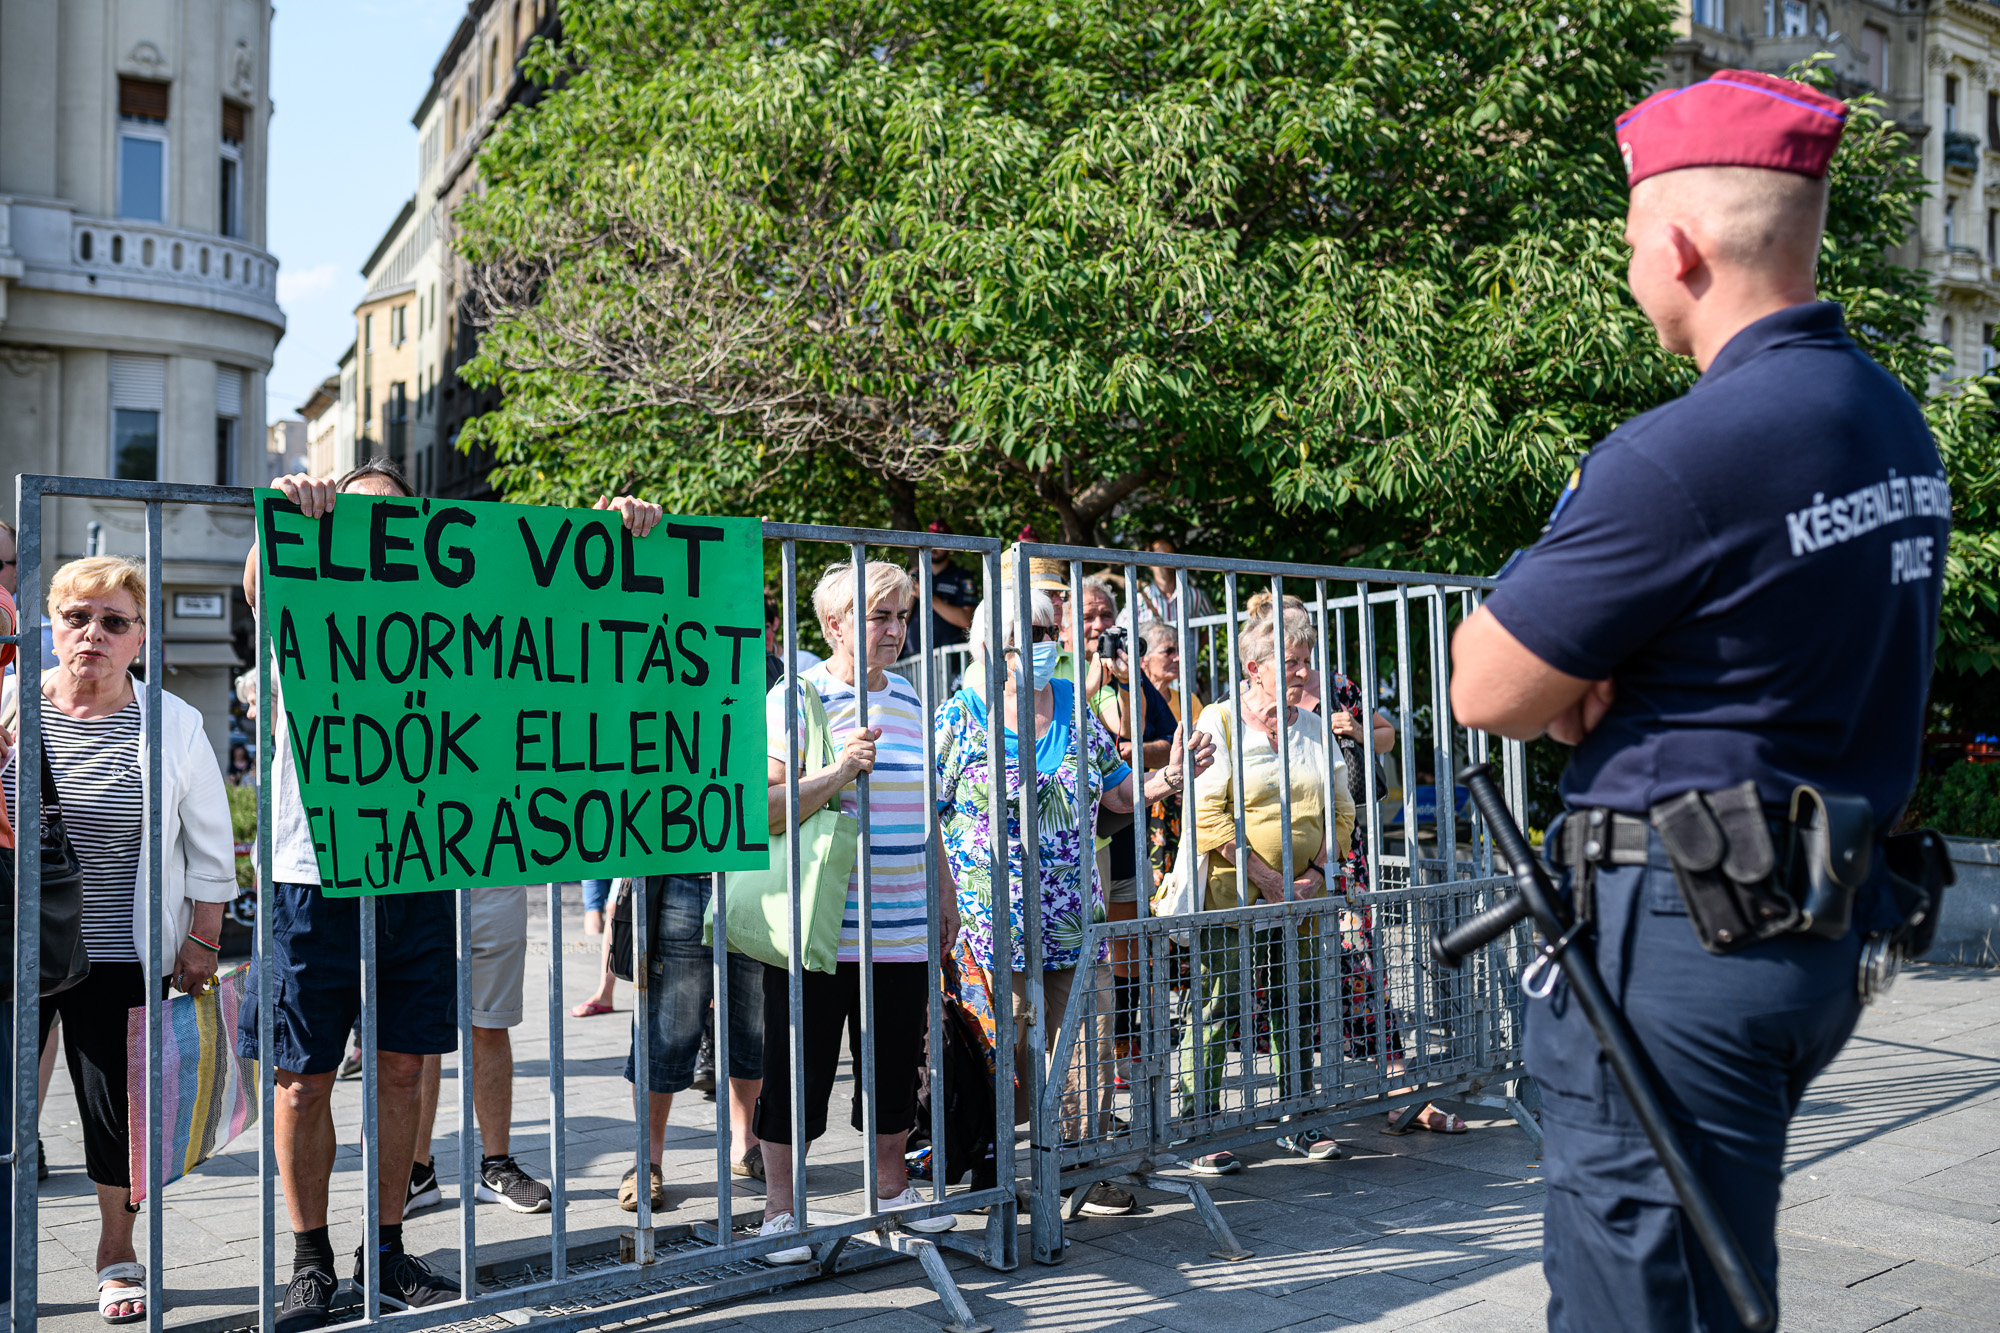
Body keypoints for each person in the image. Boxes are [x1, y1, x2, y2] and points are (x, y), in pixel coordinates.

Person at [1450, 71, 1947, 1332]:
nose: (1630, 270)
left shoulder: (1682, 452)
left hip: (1675, 935)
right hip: (1805, 922)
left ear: (1674, 246)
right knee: (1711, 1283)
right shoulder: (1887, 420)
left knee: (1643, 1297)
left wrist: (1577, 676)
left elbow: (1486, 685)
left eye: (1628, 244)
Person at [237, 461, 660, 1329]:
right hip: (311, 871)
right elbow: (258, 577)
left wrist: (610, 535)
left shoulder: (449, 606)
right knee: (303, 1079)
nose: (377, 528)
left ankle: (387, 1252)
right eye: (358, 513)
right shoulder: (303, 581)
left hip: (423, 867)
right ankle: (311, 1260)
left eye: (395, 515)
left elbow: (553, 616)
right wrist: (287, 514)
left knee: (404, 1069)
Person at [2, 556, 235, 1324]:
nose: (93, 634)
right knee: (5, 1110)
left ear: (140, 636)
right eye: (77, 617)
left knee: (112, 1112)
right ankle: (7, 1252)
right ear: (52, 626)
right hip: (15, 950)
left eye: (114, 621)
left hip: (117, 951)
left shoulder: (172, 722)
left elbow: (208, 843)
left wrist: (202, 941)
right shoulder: (9, 706)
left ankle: (114, 1251)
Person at [934, 585, 1213, 1216]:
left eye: (1044, 634)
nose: (1036, 648)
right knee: (999, 1048)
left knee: (1085, 1044)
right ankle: (996, 1173)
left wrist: (1171, 777)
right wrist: (941, 897)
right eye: (1018, 639)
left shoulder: (1073, 707)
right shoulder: (958, 715)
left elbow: (1115, 795)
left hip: (1072, 921)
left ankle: (1083, 1170)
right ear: (984, 648)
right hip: (987, 927)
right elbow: (928, 809)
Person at [754, 559, 960, 1262]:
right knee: (798, 1067)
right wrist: (839, 771)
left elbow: (926, 810)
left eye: (902, 616)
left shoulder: (907, 696)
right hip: (819, 924)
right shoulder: (797, 697)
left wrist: (946, 891)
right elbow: (768, 809)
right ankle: (782, 1211)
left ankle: (891, 1194)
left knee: (895, 1065)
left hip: (900, 925)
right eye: (881, 615)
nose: (896, 629)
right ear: (836, 623)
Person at [1177, 592, 1353, 1172]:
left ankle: (1300, 1119)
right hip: (1232, 890)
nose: (1304, 672)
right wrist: (1268, 878)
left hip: (1306, 894)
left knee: (1298, 998)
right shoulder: (1219, 721)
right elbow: (1208, 813)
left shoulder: (1314, 729)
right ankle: (1198, 1125)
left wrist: (1317, 872)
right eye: (1293, 661)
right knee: (1218, 1003)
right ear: (1255, 669)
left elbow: (1342, 806)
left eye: (1307, 660)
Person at [618, 873, 764, 1213]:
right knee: (667, 1030)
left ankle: (745, 1144)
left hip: (751, 870)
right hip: (682, 872)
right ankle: (647, 1160)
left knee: (753, 1027)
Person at [410, 884, 554, 1216]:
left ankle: (497, 1167)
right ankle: (414, 1172)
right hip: (417, 867)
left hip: (491, 866)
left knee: (491, 1023)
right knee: (419, 1028)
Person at [911, 521, 979, 655]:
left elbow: (966, 620)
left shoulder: (961, 577)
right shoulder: (915, 575)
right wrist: (908, 591)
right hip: (912, 657)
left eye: (940, 542)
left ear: (951, 548)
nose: (934, 548)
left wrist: (927, 596)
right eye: (930, 542)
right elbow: (898, 616)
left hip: (948, 657)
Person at [1132, 538, 1213, 628]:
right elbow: (1121, 626)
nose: (1165, 562)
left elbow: (1215, 622)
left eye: (1169, 556)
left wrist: (1198, 642)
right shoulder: (1138, 599)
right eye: (1159, 557)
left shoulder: (1195, 595)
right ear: (1149, 564)